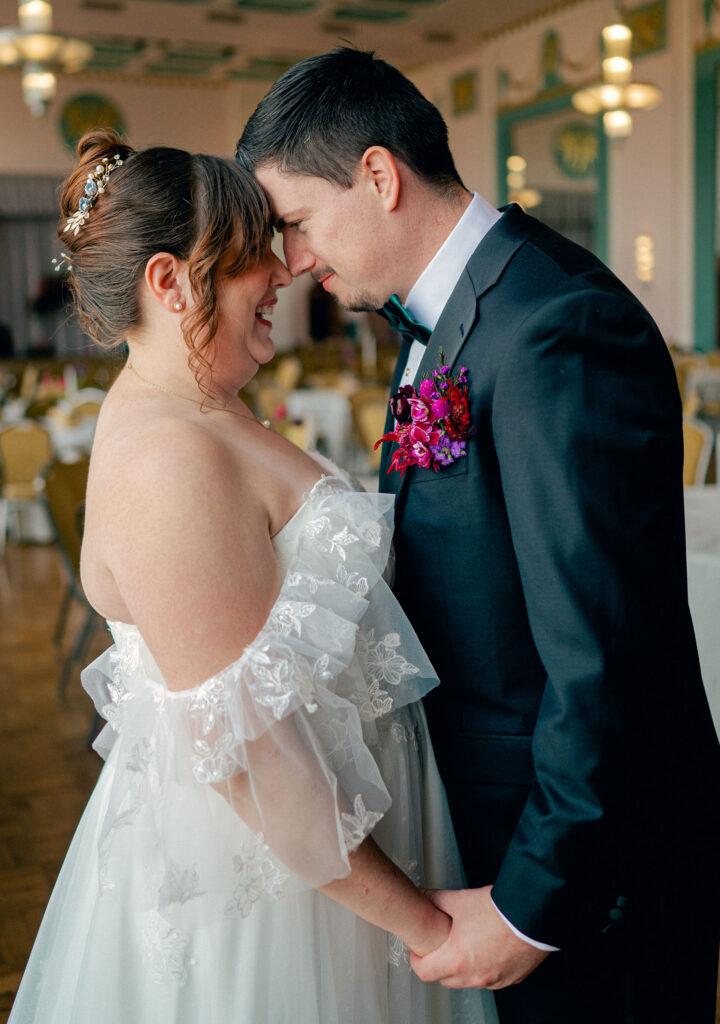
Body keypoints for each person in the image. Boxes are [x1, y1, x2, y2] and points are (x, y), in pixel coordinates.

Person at [236, 46, 720, 1024]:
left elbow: (603, 663)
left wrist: (533, 907)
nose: (292, 262)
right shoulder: (448, 321)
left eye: (295, 224)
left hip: (586, 880)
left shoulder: (554, 326)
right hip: (494, 833)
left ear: (378, 177)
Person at [7, 130, 498, 1024]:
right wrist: (425, 926)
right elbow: (253, 760)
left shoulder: (202, 405)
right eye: (246, 258)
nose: (284, 272)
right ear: (169, 281)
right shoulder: (165, 460)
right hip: (290, 902)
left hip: (346, 845)